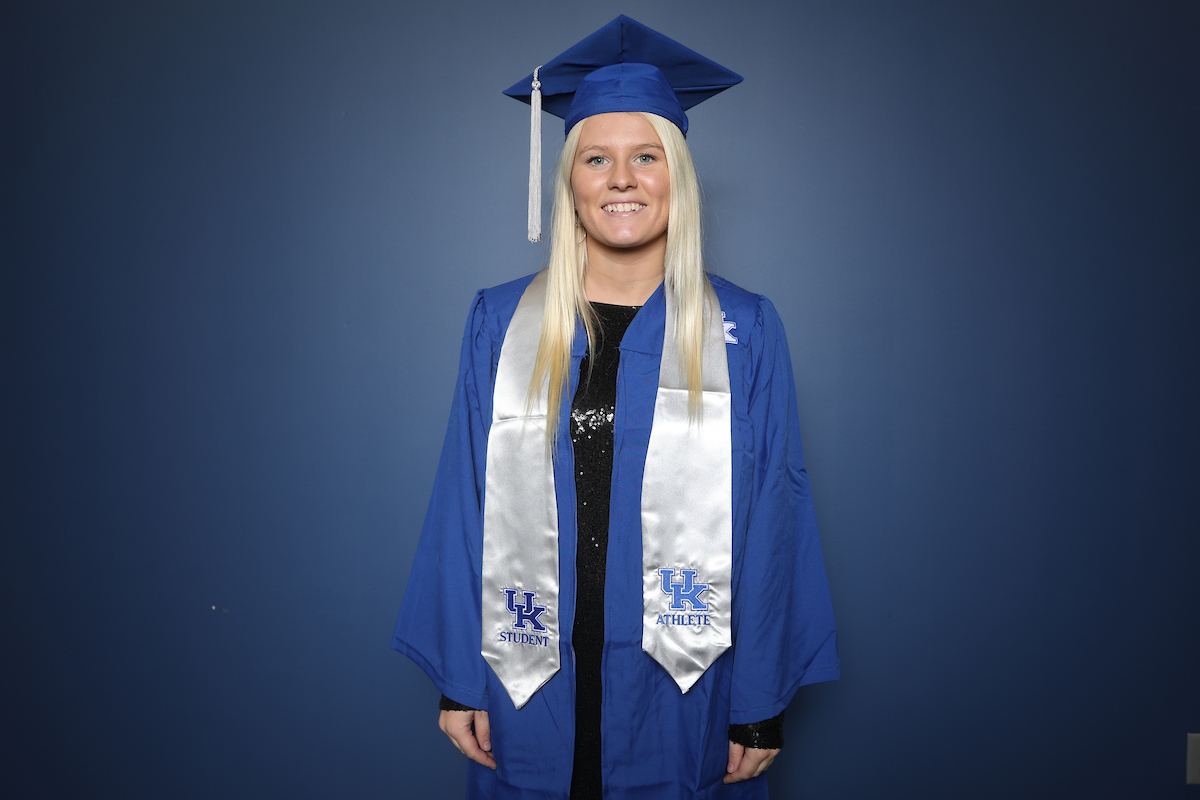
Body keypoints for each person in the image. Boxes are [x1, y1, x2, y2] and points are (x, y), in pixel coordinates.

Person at [392, 16, 838, 799]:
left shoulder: (743, 329)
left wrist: (760, 703)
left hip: (688, 686)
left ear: (677, 177)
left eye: (646, 156)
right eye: (597, 158)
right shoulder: (502, 321)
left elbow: (776, 514)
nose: (622, 179)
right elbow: (465, 502)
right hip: (527, 678)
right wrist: (460, 679)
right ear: (570, 180)